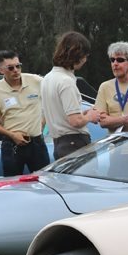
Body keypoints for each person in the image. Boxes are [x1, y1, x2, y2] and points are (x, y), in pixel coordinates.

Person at [0, 49, 49, 175]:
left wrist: (43, 121)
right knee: (12, 185)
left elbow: (52, 99)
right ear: (1, 70)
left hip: (36, 142)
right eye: (10, 68)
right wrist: (12, 135)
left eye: (18, 66)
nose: (16, 70)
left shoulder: (35, 81)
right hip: (11, 144)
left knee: (44, 182)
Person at [40, 31, 102, 160]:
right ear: (77, 55)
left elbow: (62, 115)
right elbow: (75, 121)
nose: (85, 59)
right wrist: (90, 116)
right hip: (75, 143)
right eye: (85, 55)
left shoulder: (47, 78)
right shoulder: (66, 81)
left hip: (59, 143)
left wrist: (82, 114)